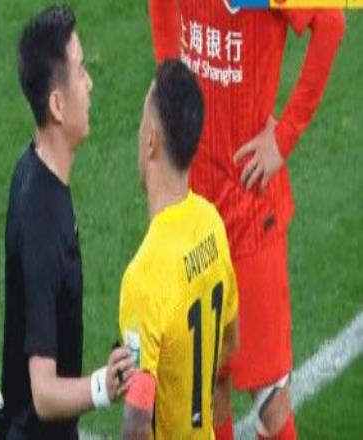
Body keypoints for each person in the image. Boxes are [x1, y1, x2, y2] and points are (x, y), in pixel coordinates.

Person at [147, 2, 345, 439]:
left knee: (271, 402)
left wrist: (284, 135)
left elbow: (330, 22)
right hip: (193, 201)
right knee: (209, 382)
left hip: (250, 211)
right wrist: (169, 80)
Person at [0, 6, 134, 439]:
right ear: (57, 104)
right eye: (81, 71)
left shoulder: (33, 170)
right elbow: (45, 394)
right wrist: (105, 385)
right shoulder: (43, 221)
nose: (89, 83)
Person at [119, 60, 239, 439]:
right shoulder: (211, 224)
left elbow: (137, 424)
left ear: (151, 140)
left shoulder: (144, 277)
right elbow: (230, 339)